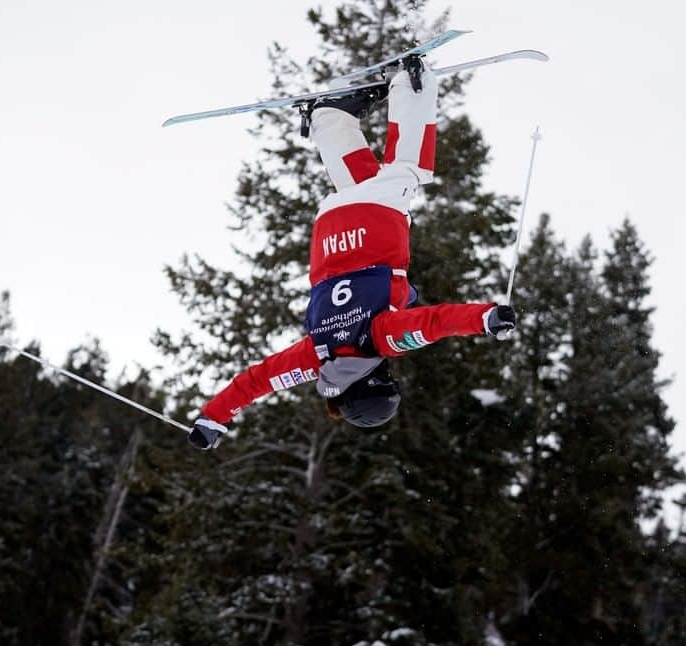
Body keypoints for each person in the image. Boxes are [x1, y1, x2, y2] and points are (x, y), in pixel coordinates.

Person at [189, 58, 517, 450]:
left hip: (375, 225)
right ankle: (329, 118)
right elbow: (257, 381)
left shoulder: (381, 340)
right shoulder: (314, 357)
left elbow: (434, 323)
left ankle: (410, 85)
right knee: (362, 182)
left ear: (375, 381)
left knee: (408, 170)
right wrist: (213, 418)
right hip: (328, 229)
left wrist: (486, 319)